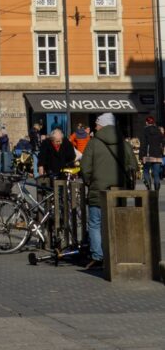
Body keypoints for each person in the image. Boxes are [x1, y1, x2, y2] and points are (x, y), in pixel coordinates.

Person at [80, 112, 138, 270]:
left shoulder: (93, 143)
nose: (95, 127)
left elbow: (85, 168)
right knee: (117, 221)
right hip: (119, 191)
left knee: (95, 224)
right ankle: (117, 252)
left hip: (98, 190)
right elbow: (133, 166)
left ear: (103, 125)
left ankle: (98, 256)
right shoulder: (124, 143)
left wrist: (89, 182)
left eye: (97, 124)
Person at [140, 116, 165, 193]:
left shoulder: (145, 131)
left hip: (148, 154)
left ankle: (148, 187)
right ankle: (156, 190)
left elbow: (143, 144)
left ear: (147, 122)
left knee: (146, 171)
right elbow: (163, 142)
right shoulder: (158, 131)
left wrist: (141, 155)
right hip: (158, 155)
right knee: (156, 173)